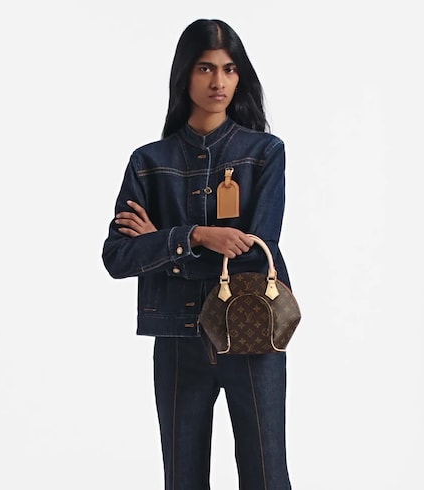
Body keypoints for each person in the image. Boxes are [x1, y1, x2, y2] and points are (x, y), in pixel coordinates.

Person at [102, 18, 294, 490]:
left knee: (267, 477)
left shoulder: (264, 153)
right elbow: (117, 258)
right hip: (177, 341)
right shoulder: (148, 163)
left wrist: (163, 243)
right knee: (182, 480)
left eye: (229, 69)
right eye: (206, 68)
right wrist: (196, 236)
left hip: (252, 335)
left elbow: (255, 252)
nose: (218, 82)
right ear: (185, 74)